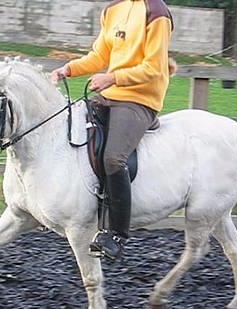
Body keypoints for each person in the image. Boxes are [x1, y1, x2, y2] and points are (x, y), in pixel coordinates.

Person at [51, 0, 175, 260]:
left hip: (139, 99)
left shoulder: (157, 13)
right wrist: (69, 68)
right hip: (109, 93)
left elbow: (154, 68)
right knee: (72, 133)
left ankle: (117, 235)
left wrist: (112, 77)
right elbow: (100, 56)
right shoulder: (113, 9)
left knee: (113, 157)